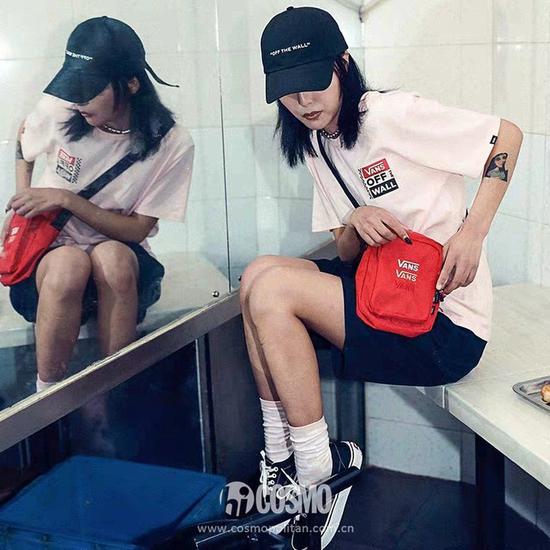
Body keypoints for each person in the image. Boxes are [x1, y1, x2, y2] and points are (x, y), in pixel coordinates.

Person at [239, 6, 524, 548]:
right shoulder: (318, 142)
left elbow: (507, 136)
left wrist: (473, 234)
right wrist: (356, 219)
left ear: (343, 65)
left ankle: (318, 471)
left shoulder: (389, 115)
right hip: (386, 293)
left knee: (274, 288)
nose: (304, 102)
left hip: (443, 326)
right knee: (257, 275)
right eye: (289, 92)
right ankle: (281, 460)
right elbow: (348, 252)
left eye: (314, 83)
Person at [2, 17, 194, 393]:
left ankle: (115, 393)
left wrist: (66, 199)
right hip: (51, 257)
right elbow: (24, 143)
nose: (77, 100)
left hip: (121, 254)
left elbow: (137, 229)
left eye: (89, 89)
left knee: (114, 258)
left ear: (132, 84)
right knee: (68, 266)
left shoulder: (171, 143)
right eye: (72, 86)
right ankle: (47, 397)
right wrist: (21, 203)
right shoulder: (59, 109)